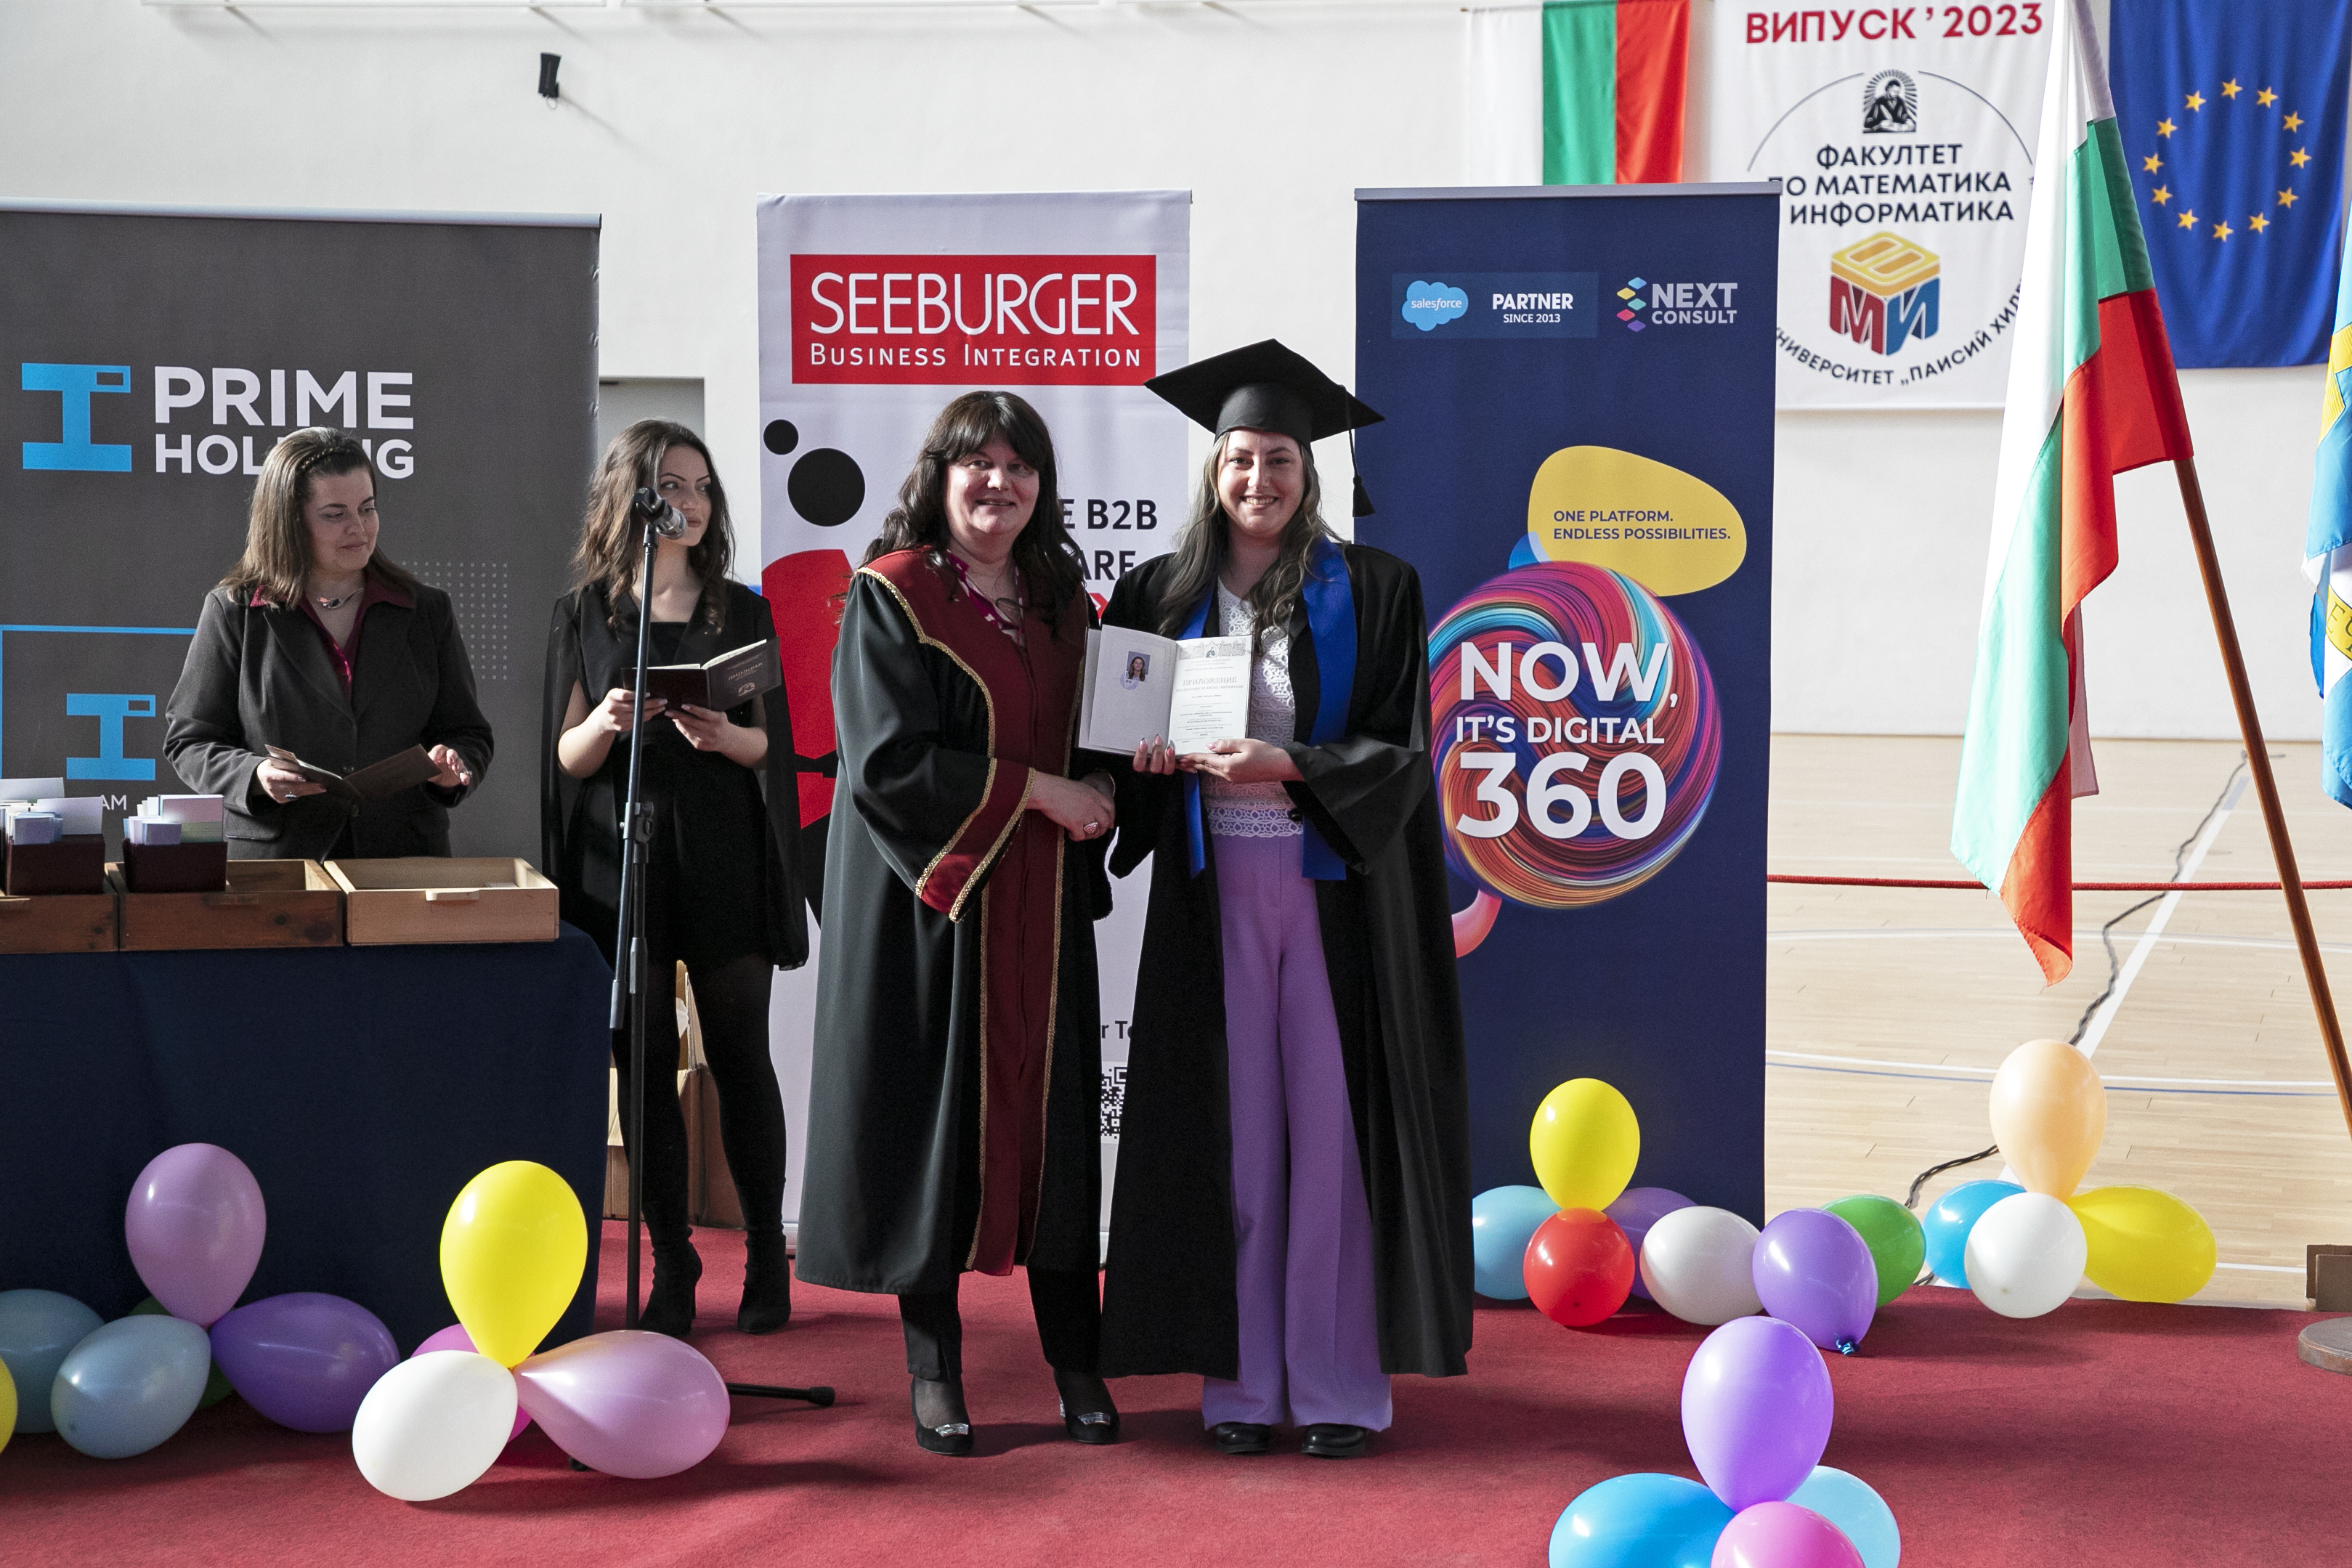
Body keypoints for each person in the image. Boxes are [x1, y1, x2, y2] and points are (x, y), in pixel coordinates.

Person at [1098, 340, 1473, 1459]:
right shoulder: (1155, 593)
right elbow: (1118, 749)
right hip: (1209, 892)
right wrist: (1145, 764)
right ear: (1211, 469)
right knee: (1239, 1138)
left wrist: (1289, 765)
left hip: (1328, 892)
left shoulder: (1376, 587)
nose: (1257, 478)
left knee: (1328, 1138)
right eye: (1239, 459)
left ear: (1309, 471)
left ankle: (1336, 1381)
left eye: (1278, 459)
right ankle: (1243, 1383)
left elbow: (1400, 748)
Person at [795, 390, 1121, 1457]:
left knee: (1056, 1136)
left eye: (1020, 466)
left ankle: (1078, 1359)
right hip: (939, 912)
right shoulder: (893, 595)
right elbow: (886, 763)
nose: (999, 483)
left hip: (1043, 913)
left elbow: (1099, 739)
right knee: (934, 1135)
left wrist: (1117, 776)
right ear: (939, 476)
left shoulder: (1063, 600)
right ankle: (934, 1368)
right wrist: (1036, 790)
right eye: (977, 463)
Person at [543, 420, 808, 1339]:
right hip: (625, 856)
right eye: (670, 486)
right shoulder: (584, 612)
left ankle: (767, 1252)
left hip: (724, 845)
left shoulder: (743, 609)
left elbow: (774, 747)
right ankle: (672, 1258)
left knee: (740, 1056)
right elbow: (566, 757)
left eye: (700, 486)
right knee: (644, 1062)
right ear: (631, 497)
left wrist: (726, 736)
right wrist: (608, 721)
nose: (688, 502)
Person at [166, 427, 490, 859]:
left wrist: (454, 767)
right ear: (289, 522)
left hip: (402, 860)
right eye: (335, 515)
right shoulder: (236, 611)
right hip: (280, 866)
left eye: (367, 508)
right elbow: (190, 741)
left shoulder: (425, 610)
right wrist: (255, 774)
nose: (359, 528)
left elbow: (468, 732)